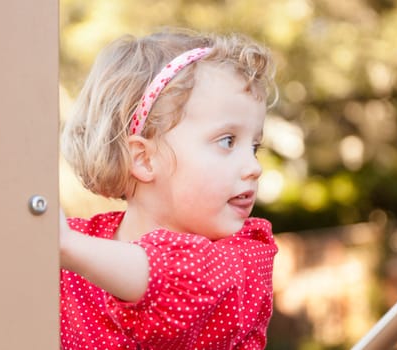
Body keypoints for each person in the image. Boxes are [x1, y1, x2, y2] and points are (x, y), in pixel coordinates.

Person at [59, 28, 278, 350]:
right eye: (228, 141)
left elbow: (180, 280)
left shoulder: (246, 256)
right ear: (145, 159)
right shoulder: (80, 244)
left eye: (254, 146)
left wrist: (66, 248)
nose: (254, 167)